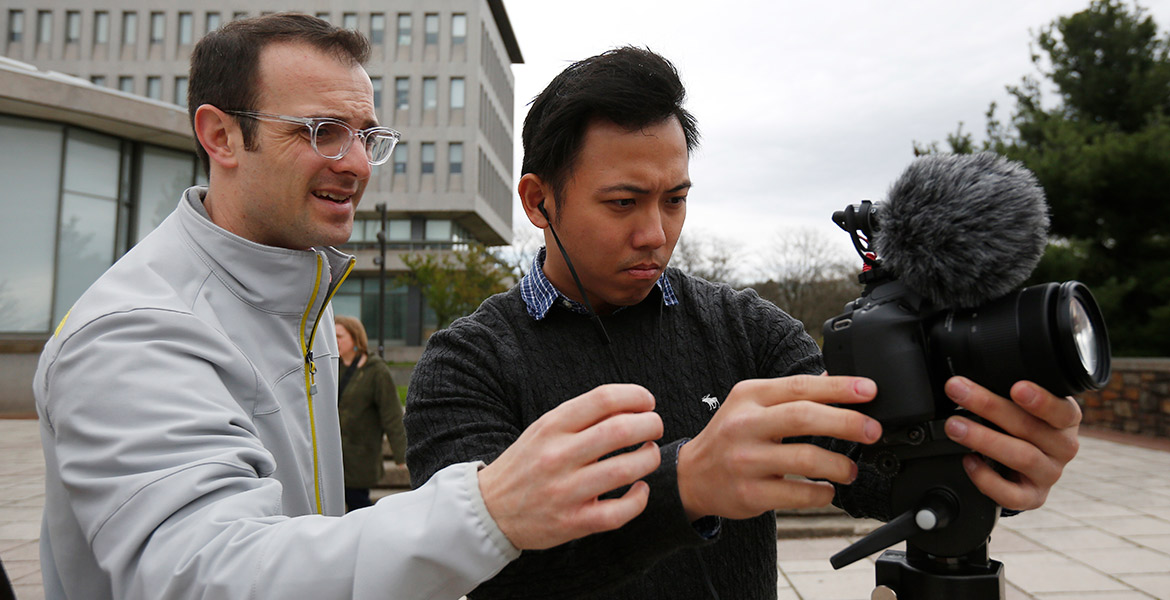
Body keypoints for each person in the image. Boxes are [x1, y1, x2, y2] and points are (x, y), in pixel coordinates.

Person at [403, 46, 1083, 599]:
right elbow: (479, 569)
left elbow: (874, 466)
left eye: (675, 199)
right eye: (622, 202)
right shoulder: (466, 365)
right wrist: (688, 482)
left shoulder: (748, 330)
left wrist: (984, 460)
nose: (655, 233)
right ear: (537, 199)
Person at [32, 15, 665, 600]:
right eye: (322, 133)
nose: (358, 164)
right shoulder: (135, 332)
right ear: (220, 135)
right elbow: (203, 574)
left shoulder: (289, 300)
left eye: (365, 135)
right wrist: (489, 508)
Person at [333, 315, 407, 511]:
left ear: (356, 338)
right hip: (334, 454)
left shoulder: (376, 371)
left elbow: (392, 414)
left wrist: (401, 455)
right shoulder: (331, 367)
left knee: (358, 503)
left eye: (339, 336)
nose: (334, 341)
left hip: (360, 456)